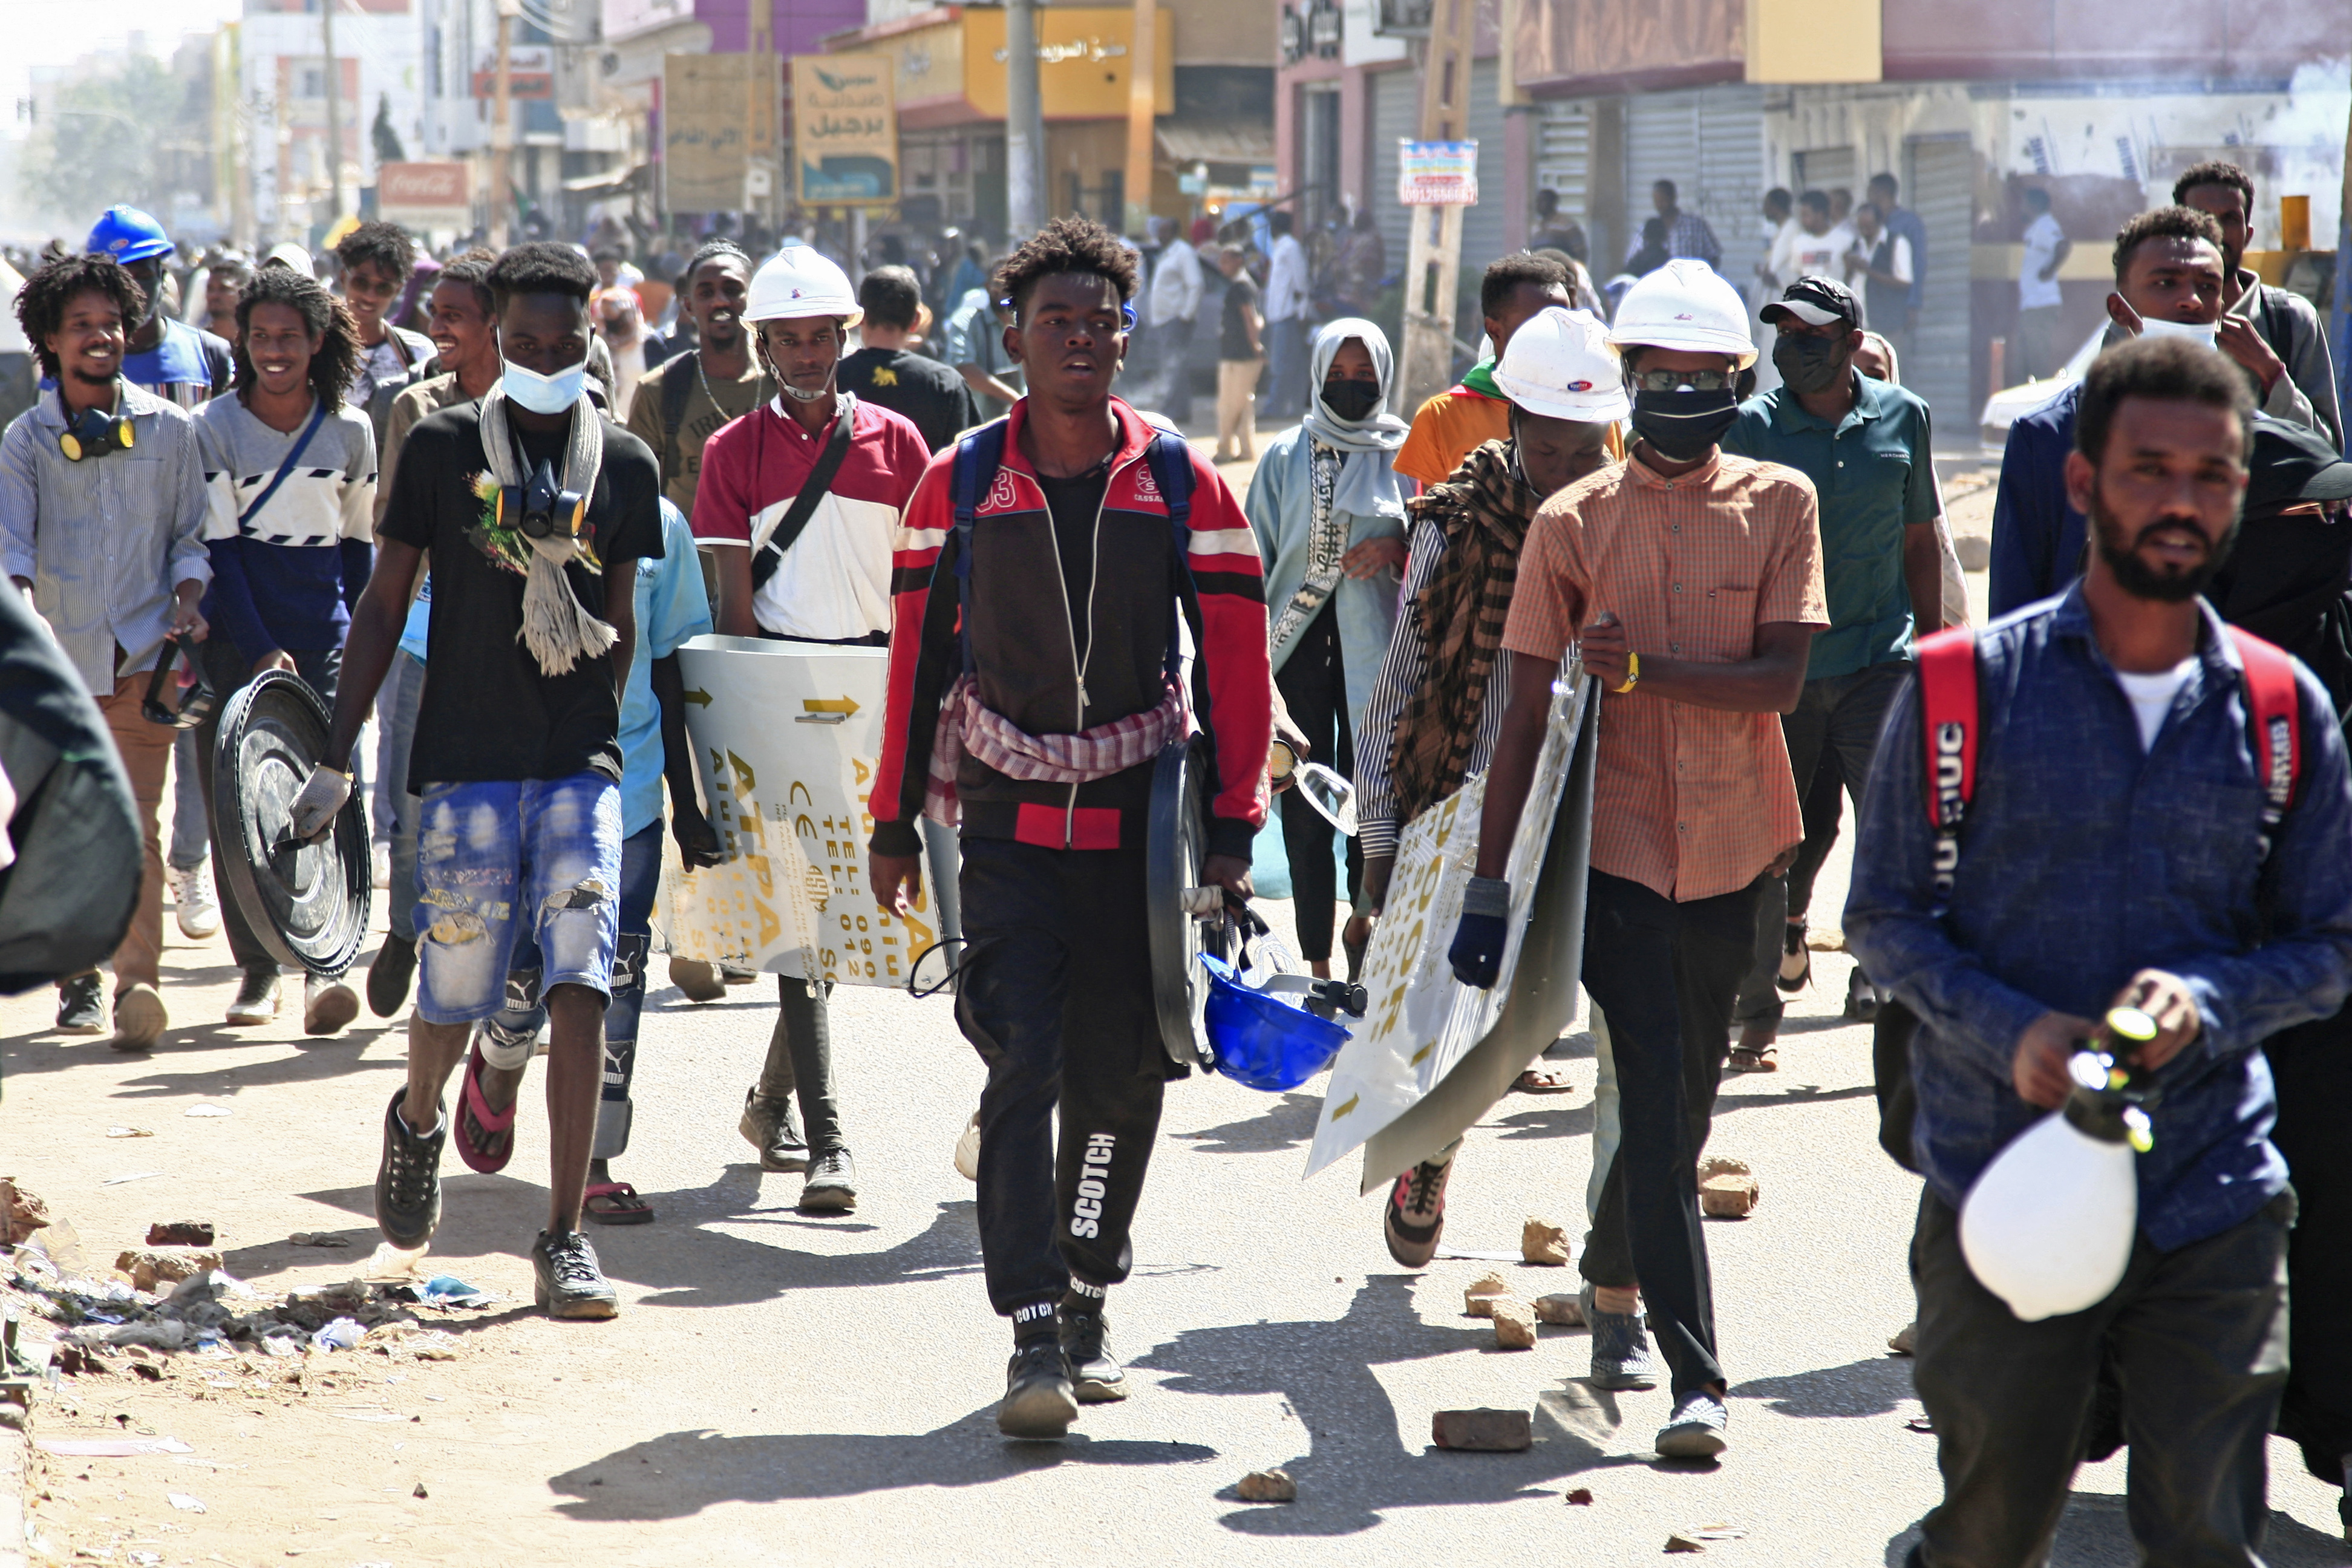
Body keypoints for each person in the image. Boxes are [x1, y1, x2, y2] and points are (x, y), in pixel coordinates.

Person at [1845, 334, 2352, 1568]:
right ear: (2081, 485)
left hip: (2216, 1202)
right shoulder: (1963, 691)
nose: (2181, 501)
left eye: (2212, 474)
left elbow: (2328, 948)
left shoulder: (2285, 711)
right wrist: (2009, 1030)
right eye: (2148, 471)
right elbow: (1886, 922)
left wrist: (2212, 1000)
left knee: (2202, 1537)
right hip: (2005, 1189)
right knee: (1991, 1535)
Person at [866, 216, 1272, 1440]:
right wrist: (892, 818)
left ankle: (1092, 1283)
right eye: (1059, 323)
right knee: (1020, 1066)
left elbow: (1238, 659)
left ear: (1127, 337)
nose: (1084, 341)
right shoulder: (960, 483)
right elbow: (917, 658)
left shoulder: (1175, 478)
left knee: (1127, 1072)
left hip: (1142, 836)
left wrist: (1235, 822)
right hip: (1001, 828)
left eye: (1103, 322)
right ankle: (1034, 1324)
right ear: (1016, 338)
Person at [1448, 258, 1824, 1459]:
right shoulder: (1572, 523)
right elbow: (1517, 716)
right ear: (1629, 385)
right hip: (1612, 857)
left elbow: (1777, 681)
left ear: (1734, 386)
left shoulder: (1780, 504)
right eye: (1659, 378)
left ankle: (1620, 1267)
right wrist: (1491, 887)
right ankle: (1696, 1379)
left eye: (1703, 380)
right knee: (1659, 1106)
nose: (1680, 397)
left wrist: (1643, 673)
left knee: (1687, 1104)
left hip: (1738, 849)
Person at [292, 241, 665, 1319]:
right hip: (462, 757)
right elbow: (383, 600)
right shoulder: (445, 448)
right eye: (528, 342)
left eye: (568, 341)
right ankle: (417, 1117)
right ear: (497, 339)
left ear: (593, 335)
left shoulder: (625, 467)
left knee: (582, 978)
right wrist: (336, 756)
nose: (549, 359)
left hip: (576, 760)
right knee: (454, 990)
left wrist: (604, 740)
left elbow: (624, 619)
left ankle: (563, 1236)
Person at [1358, 305, 1627, 1266]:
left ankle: (1620, 1267)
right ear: (1513, 425)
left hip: (1610, 804)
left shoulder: (1634, 516)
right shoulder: (1455, 519)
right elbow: (1400, 682)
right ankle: (1431, 1150)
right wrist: (1380, 842)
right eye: (1548, 445)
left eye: (1585, 445)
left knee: (1620, 1038)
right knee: (1460, 1010)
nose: (1567, 464)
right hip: (1473, 802)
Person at [691, 244, 933, 1209]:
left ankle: (769, 1104)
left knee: (858, 919)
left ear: (843, 339)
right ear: (764, 345)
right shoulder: (728, 454)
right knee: (804, 919)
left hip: (882, 690)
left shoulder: (901, 443)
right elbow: (730, 601)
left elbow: (928, 585)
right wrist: (757, 711)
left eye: (817, 337)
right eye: (785, 340)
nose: (802, 355)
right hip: (782, 694)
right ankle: (828, 1141)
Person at [1719, 276, 1939, 1068]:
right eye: (1784, 334)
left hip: (1881, 657)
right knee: (1775, 840)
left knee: (1893, 825)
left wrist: (1939, 658)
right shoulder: (1749, 428)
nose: (1795, 349)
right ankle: (1752, 1001)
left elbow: (1921, 545)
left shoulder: (1903, 418)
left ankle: (1879, 978)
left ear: (1851, 341)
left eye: (1814, 335)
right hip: (1780, 666)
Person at [2, 252, 212, 1050]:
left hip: (143, 662)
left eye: (111, 324)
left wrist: (188, 602)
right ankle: (79, 979)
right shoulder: (26, 441)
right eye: (81, 326)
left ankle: (137, 984)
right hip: (58, 669)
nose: (100, 337)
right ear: (51, 342)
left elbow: (189, 538)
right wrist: (30, 632)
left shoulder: (172, 429)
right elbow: (13, 549)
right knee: (60, 825)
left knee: (138, 825)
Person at [191, 264, 376, 1036]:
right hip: (240, 641)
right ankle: (258, 970)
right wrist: (261, 647)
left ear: (316, 342)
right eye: (260, 336)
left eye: (288, 338)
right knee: (239, 801)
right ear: (242, 339)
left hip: (324, 637)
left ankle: (323, 967)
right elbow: (223, 555)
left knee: (327, 794)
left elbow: (360, 550)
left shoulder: (353, 430)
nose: (273, 350)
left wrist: (356, 637)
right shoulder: (216, 427)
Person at [1990, 205, 2334, 617]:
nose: (2190, 300)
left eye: (2208, 286)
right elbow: (2014, 611)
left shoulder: (2255, 438)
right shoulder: (2046, 435)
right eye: (2166, 282)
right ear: (2120, 310)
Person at [1244, 319, 1409, 979]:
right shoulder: (1285, 456)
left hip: (1383, 662)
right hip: (1295, 659)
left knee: (1374, 804)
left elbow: (1440, 539)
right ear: (1316, 377)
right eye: (1337, 376)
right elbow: (1249, 559)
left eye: (1364, 375)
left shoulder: (1408, 455)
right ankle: (1317, 965)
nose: (1351, 386)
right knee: (1307, 811)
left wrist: (1396, 547)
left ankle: (1366, 934)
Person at [364, 252, 504, 1020]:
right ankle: (401, 932)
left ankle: (504, 974)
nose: (437, 326)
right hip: (427, 635)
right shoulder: (414, 409)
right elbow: (402, 533)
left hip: (518, 640)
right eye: (434, 313)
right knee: (416, 801)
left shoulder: (545, 401)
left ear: (494, 323)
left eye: (454, 314)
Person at [2173, 158, 2342, 444]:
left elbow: (2326, 450)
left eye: (2229, 219)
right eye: (2202, 218)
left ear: (2248, 234)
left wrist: (2272, 373)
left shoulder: (2290, 320)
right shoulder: (2145, 316)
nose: (2216, 232)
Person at [1394, 252, 1573, 489]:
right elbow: (1431, 517)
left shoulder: (1590, 411)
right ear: (1494, 330)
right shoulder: (1441, 416)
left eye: (1564, 325)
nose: (1554, 338)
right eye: (1538, 327)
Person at [623, 240, 768, 526]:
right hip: (689, 568)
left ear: (753, 300)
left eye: (732, 290)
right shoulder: (659, 390)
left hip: (773, 566)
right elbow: (636, 498)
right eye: (706, 292)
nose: (719, 301)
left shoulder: (782, 383)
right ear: (688, 306)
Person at [87, 206, 232, 409]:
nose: (133, 291)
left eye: (143, 277)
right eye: (121, 280)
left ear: (162, 279)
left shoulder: (209, 355)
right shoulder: (75, 360)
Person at [837, 264, 978, 454]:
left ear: (861, 316)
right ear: (916, 320)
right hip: (927, 484)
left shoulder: (833, 380)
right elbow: (970, 458)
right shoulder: (946, 384)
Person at [333, 221, 434, 448]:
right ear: (343, 279)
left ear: (398, 291)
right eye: (361, 282)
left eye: (383, 288)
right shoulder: (313, 348)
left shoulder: (419, 354)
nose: (370, 297)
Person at [1145, 217, 1203, 425]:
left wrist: (1186, 315)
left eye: (1166, 231)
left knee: (1174, 366)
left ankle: (1175, 411)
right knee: (1171, 366)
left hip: (1176, 319)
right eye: (1160, 231)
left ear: (1175, 232)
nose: (1161, 235)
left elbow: (1195, 284)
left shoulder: (1183, 252)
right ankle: (1178, 409)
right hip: (1164, 319)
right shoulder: (1167, 253)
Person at [2014, 186, 2071, 383]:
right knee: (2023, 361)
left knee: (2038, 362)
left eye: (2024, 203)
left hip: (2041, 304)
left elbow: (2063, 245)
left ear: (2034, 205)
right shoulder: (2036, 226)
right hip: (2031, 304)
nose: (2021, 207)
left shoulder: (2045, 224)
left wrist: (2049, 269)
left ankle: (2043, 406)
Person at [1260, 210, 1313, 424]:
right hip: (1276, 315)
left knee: (1282, 365)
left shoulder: (1291, 247)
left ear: (1277, 227)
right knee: (1285, 363)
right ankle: (1289, 406)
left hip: (1288, 314)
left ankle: (1277, 407)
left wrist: (1302, 312)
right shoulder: (1279, 247)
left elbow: (1301, 283)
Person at [944, 269, 1022, 411]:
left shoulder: (1027, 322)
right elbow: (963, 368)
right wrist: (1013, 397)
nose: (1004, 290)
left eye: (1011, 284)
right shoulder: (968, 321)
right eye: (999, 284)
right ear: (987, 286)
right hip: (982, 421)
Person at [1865, 173, 1929, 347]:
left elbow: (1918, 264)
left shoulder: (1908, 223)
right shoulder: (1872, 225)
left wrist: (1913, 304)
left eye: (1871, 193)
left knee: (1896, 360)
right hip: (1874, 308)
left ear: (1882, 192)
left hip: (1897, 307)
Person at [1214, 244, 1264, 463]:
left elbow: (1250, 318)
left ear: (1237, 261)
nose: (1221, 266)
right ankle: (1246, 450)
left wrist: (1255, 346)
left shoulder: (1241, 287)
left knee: (1229, 405)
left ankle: (1225, 448)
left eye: (1225, 261)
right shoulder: (1245, 285)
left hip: (1239, 355)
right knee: (1243, 404)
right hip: (1238, 353)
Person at [1844, 203, 1914, 348]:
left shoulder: (1896, 243)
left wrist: (1869, 270)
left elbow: (1904, 283)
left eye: (1869, 226)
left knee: (1890, 367)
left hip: (1889, 324)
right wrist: (1850, 268)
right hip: (1862, 323)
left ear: (1880, 222)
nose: (1865, 231)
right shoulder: (1857, 245)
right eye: (1861, 227)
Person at [1632, 179, 1721, 271]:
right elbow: (1633, 260)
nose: (1660, 205)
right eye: (1657, 201)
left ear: (1673, 198)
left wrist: (1703, 276)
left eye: (1663, 200)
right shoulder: (1648, 229)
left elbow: (1713, 256)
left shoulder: (1696, 226)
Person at [1529, 189, 1587, 266]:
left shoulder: (1566, 226)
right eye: (1537, 201)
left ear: (1553, 203)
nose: (1539, 205)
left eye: (1543, 201)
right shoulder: (1536, 228)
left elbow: (1580, 252)